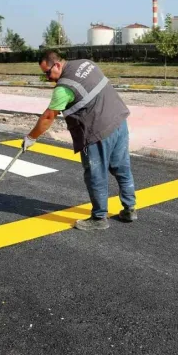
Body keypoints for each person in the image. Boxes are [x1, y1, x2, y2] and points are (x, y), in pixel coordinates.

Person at [21, 50, 137, 231]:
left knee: (96, 175)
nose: (48, 78)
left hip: (97, 132)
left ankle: (99, 218)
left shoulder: (64, 88)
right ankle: (129, 209)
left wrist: (31, 137)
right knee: (121, 168)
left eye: (47, 73)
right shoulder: (86, 63)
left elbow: (48, 117)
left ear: (57, 65)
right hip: (119, 122)